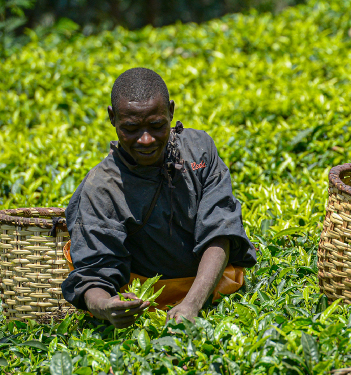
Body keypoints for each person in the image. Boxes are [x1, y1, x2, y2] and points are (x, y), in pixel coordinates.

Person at [61, 68, 257, 327]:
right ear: (112, 117)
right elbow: (93, 273)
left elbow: (220, 231)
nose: (145, 139)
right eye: (130, 128)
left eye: (157, 125)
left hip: (214, 289)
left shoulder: (199, 150)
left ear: (171, 112)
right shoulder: (102, 186)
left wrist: (192, 303)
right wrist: (106, 306)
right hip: (145, 301)